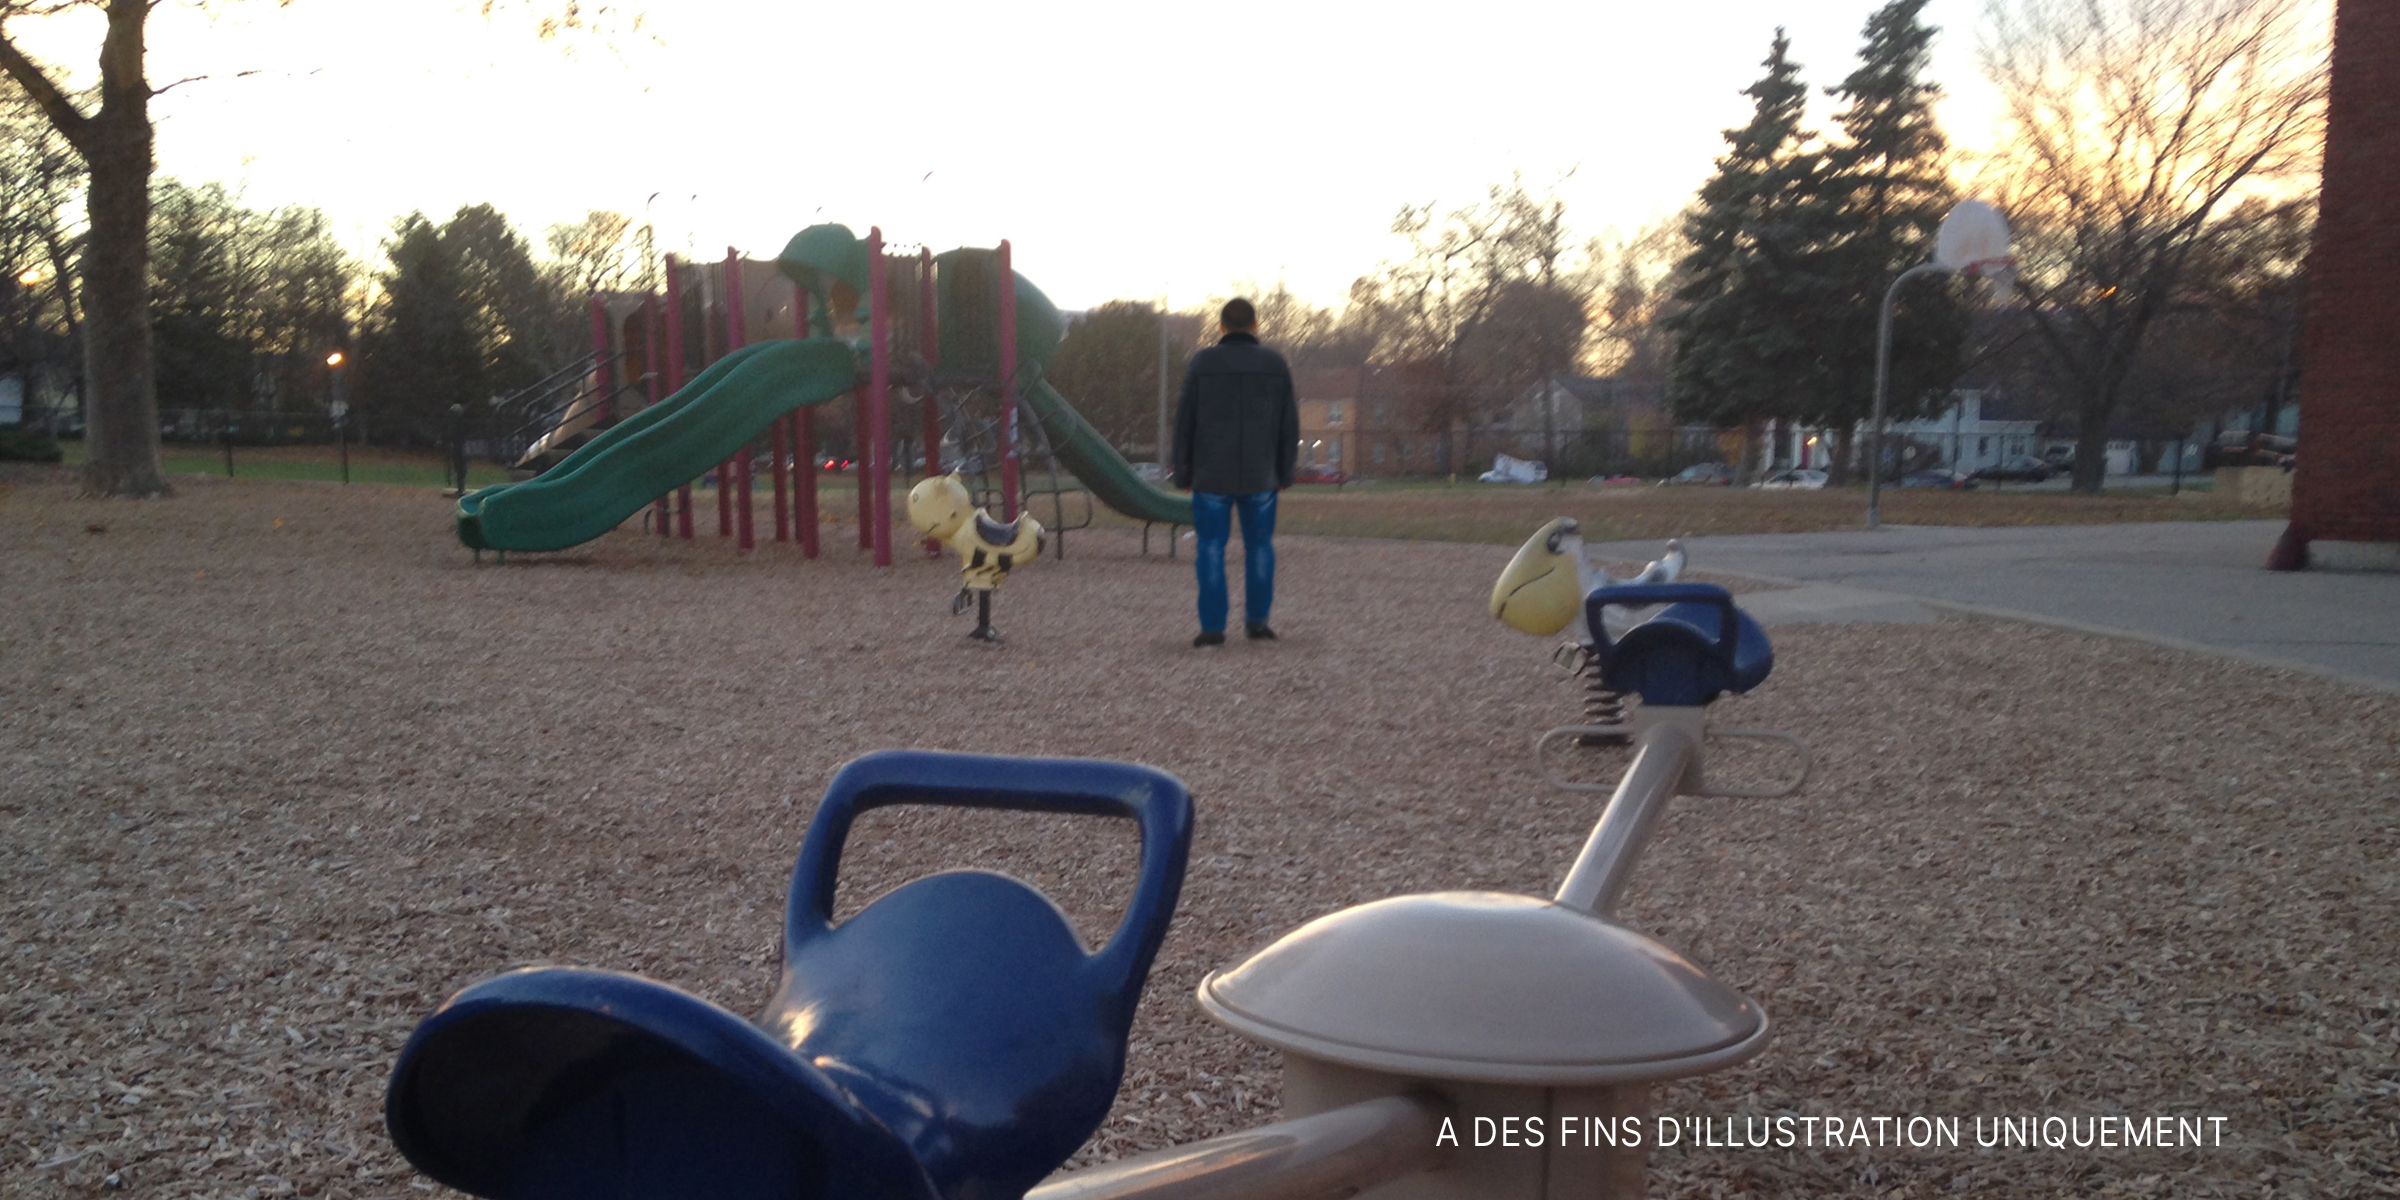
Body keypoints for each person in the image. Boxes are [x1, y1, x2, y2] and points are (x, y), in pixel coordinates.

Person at [1171, 298, 1299, 647]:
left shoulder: (1203, 363)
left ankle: (1212, 628)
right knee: (1260, 548)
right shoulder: (1275, 364)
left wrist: (1182, 472)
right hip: (1260, 474)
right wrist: (1285, 471)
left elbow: (1185, 421)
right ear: (1255, 325)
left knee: (1210, 548)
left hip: (1211, 473)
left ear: (1221, 327)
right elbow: (1289, 423)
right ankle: (1257, 622)